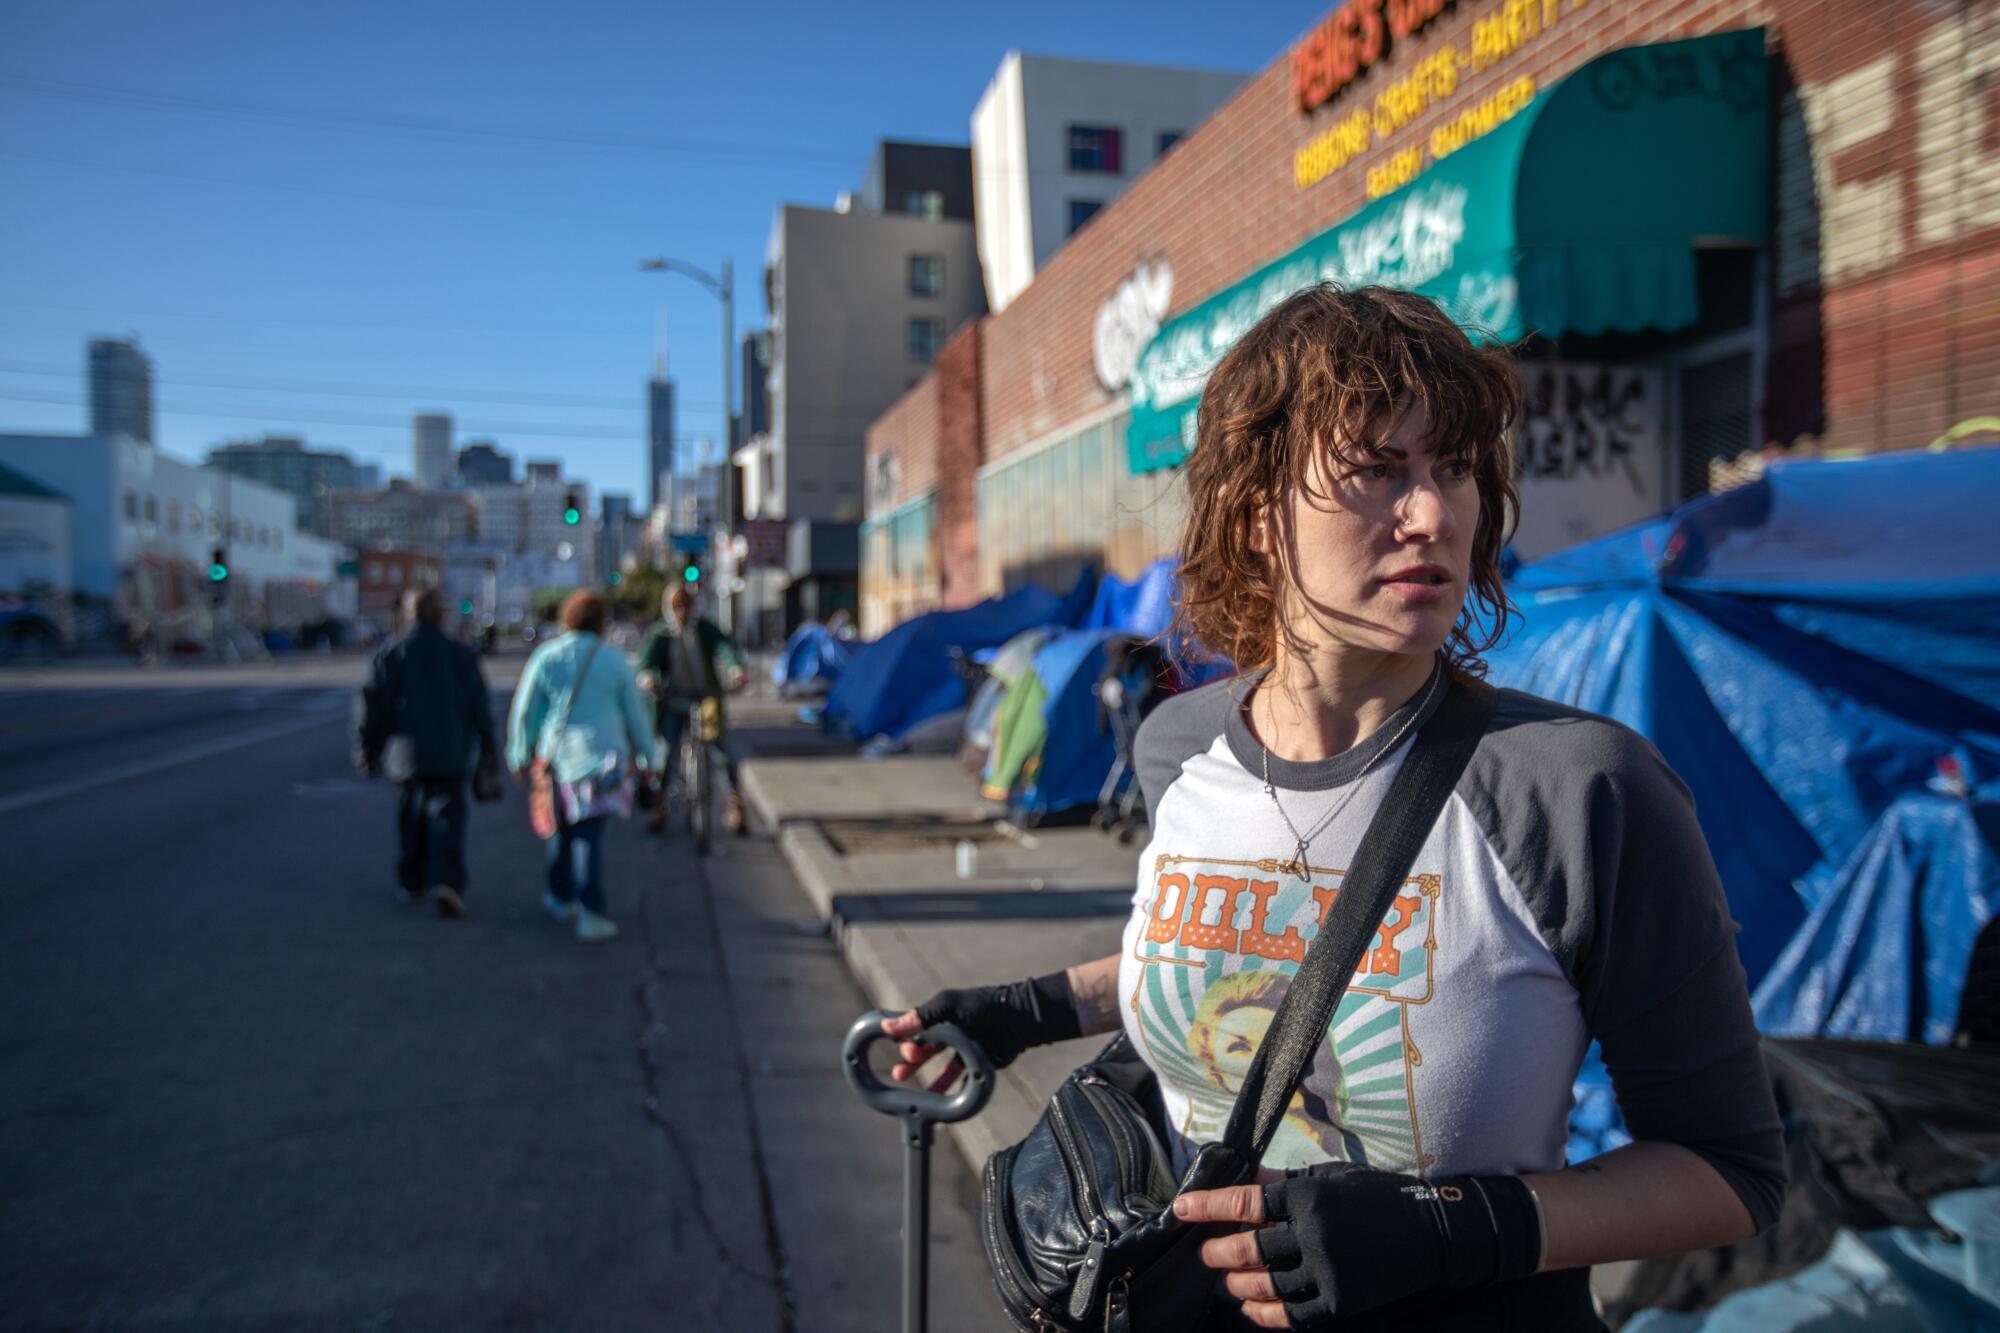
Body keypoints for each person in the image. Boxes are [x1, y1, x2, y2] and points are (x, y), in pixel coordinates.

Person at [884, 285, 1786, 1330]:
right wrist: (1025, 1010)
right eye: (1377, 470)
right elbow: (1254, 948)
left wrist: (1458, 1229)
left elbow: (1730, 1171)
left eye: (1453, 468)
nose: (1436, 513)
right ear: (1252, 512)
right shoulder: (1178, 747)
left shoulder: (1578, 789)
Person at [506, 589, 657, 944]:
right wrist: (650, 758)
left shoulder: (547, 656)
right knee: (588, 834)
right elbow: (636, 715)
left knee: (560, 829)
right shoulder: (615, 660)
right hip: (603, 759)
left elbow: (526, 710)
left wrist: (519, 754)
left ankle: (559, 896)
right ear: (601, 622)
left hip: (556, 758)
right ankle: (590, 911)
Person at [355, 587, 498, 918]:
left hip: (407, 754)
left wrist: (367, 748)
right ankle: (446, 879)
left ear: (408, 614)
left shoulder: (392, 653)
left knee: (412, 813)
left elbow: (372, 707)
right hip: (451, 750)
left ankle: (413, 879)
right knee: (448, 813)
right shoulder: (458, 654)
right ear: (440, 614)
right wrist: (488, 744)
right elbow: (479, 704)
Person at [636, 586, 748, 835]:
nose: (682, 612)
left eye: (686, 605)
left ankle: (735, 804)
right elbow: (646, 663)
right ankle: (660, 805)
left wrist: (735, 670)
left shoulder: (704, 629)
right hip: (673, 701)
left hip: (706, 700)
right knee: (665, 753)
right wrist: (647, 678)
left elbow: (725, 648)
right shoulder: (661, 635)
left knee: (721, 751)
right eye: (676, 606)